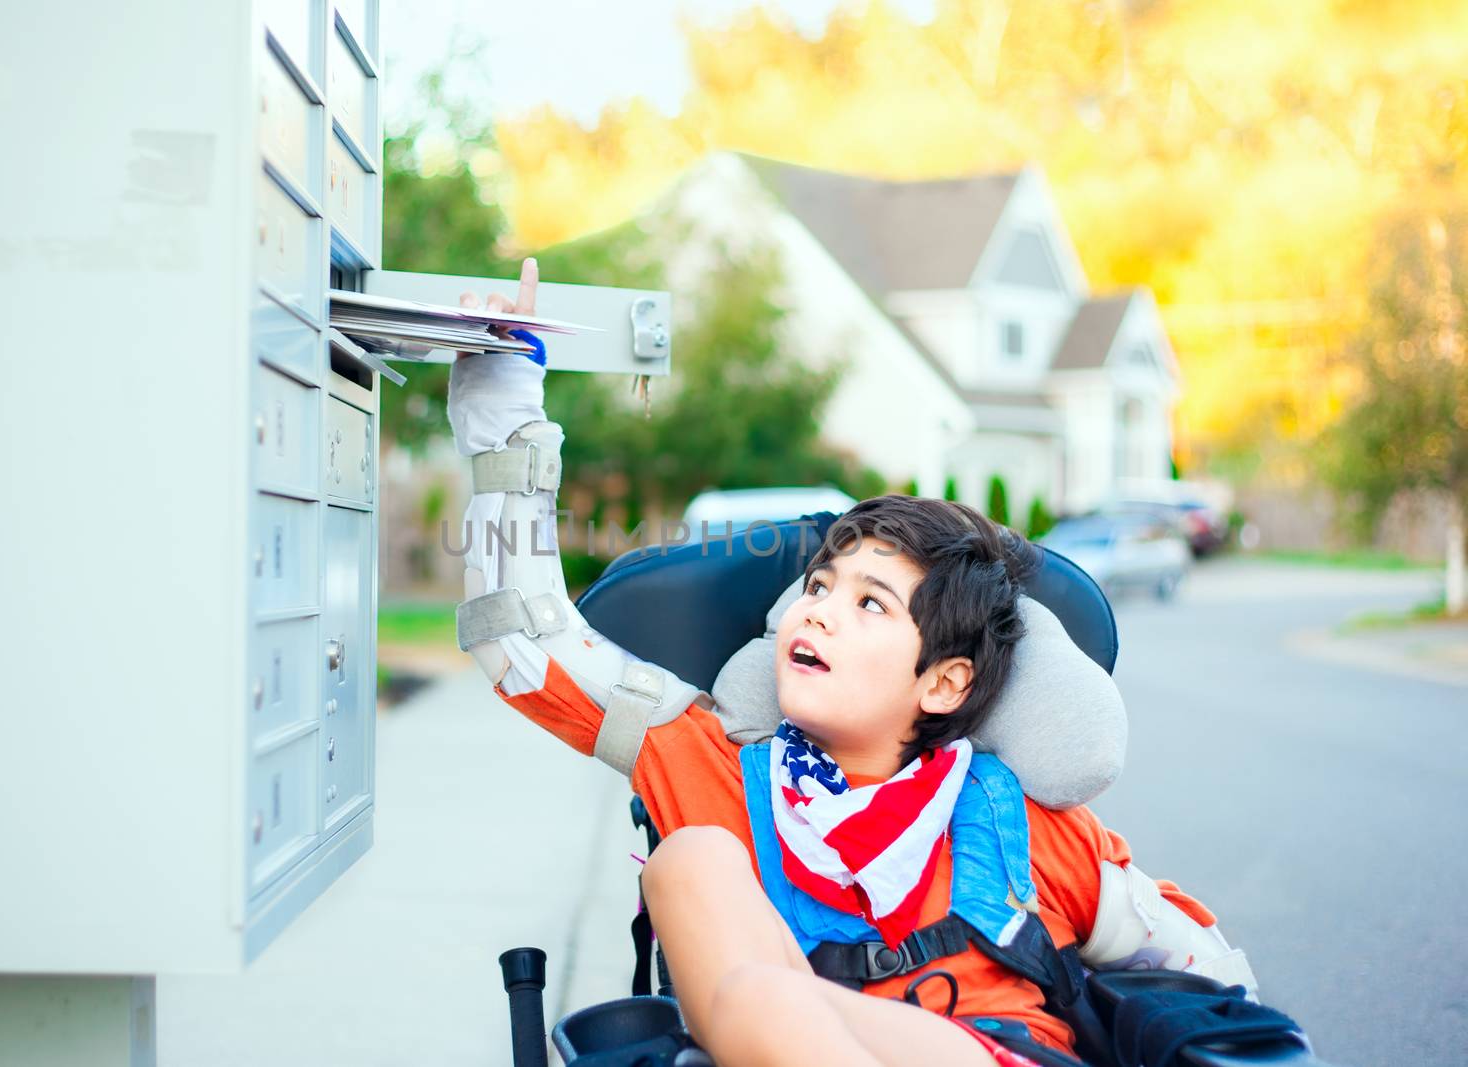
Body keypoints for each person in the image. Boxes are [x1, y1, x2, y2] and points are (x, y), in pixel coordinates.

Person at [449, 260, 1254, 1067]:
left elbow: (1211, 974)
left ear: (944, 680)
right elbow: (521, 639)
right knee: (693, 858)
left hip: (985, 1052)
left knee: (765, 991)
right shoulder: (710, 769)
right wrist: (504, 405)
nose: (819, 609)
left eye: (869, 603)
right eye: (820, 585)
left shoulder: (1029, 828)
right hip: (774, 1024)